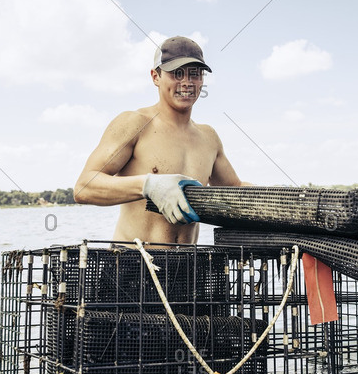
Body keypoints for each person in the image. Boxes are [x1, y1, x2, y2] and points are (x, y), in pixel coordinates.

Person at [74, 36, 247, 245]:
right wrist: (148, 186)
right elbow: (84, 187)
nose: (187, 82)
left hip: (186, 269)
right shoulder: (134, 123)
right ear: (155, 76)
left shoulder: (208, 137)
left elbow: (234, 187)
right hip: (132, 265)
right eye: (176, 73)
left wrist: (285, 199)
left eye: (195, 74)